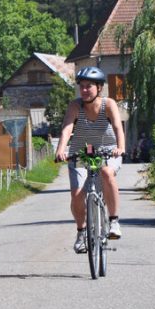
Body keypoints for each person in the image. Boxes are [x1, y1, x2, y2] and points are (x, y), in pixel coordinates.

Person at [54, 66, 126, 253]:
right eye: (82, 86)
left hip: (108, 151)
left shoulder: (108, 104)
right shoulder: (75, 106)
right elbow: (67, 128)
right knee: (77, 194)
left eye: (89, 86)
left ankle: (114, 221)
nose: (84, 90)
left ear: (99, 88)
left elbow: (118, 127)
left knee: (106, 172)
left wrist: (121, 148)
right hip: (82, 152)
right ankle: (81, 232)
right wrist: (61, 150)